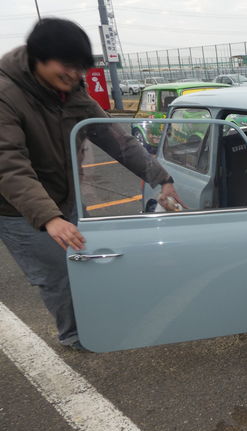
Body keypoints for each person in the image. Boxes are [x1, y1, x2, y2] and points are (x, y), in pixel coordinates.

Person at [0, 18, 182, 351]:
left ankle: (93, 320)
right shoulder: (6, 94)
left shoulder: (72, 92)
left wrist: (161, 178)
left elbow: (116, 139)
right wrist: (49, 218)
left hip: (65, 196)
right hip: (19, 209)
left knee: (85, 262)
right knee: (57, 275)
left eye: (80, 67)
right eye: (66, 65)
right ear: (38, 57)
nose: (74, 74)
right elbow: (8, 165)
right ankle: (75, 335)